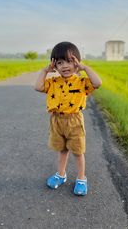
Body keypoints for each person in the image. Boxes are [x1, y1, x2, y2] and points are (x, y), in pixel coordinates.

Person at [34, 42, 102, 196]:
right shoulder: (52, 82)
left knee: (78, 152)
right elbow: (38, 87)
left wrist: (85, 68)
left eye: (70, 61)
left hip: (74, 121)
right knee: (62, 150)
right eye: (60, 62)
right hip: (57, 121)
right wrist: (45, 70)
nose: (65, 66)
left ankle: (81, 178)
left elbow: (97, 83)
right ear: (54, 66)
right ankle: (61, 174)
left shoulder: (82, 82)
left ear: (77, 62)